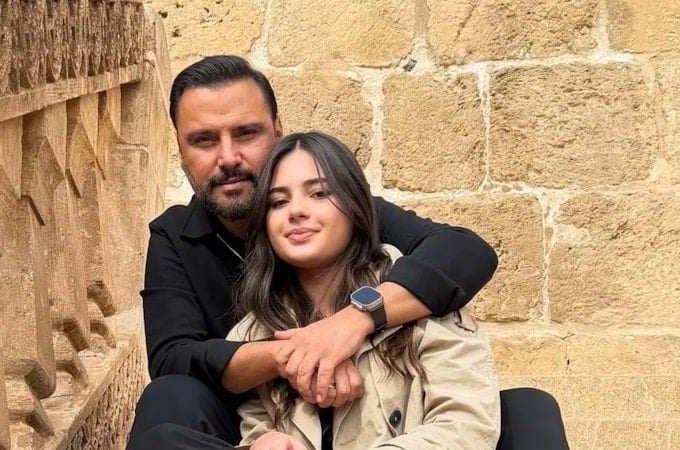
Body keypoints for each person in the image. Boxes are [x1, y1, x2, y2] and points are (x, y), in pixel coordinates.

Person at [126, 55, 568, 450]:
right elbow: (173, 360)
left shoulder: (353, 219)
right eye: (204, 140)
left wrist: (354, 322)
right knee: (169, 402)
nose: (228, 157)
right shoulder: (185, 248)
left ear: (277, 133)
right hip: (240, 422)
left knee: (529, 410)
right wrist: (298, 354)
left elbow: (465, 252)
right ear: (180, 151)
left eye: (246, 133)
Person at [228, 131, 500, 449]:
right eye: (278, 202)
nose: (296, 211)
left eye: (319, 193)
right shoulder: (253, 334)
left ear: (355, 205)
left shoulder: (422, 302)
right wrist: (265, 441)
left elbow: (467, 427)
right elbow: (255, 423)